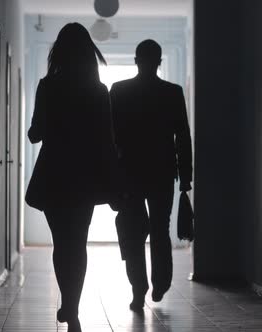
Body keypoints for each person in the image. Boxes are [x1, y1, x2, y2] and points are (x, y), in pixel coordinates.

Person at [26, 22, 117, 332]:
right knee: (77, 241)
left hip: (54, 174)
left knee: (61, 241)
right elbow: (107, 140)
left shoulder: (47, 86)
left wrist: (41, 129)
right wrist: (113, 179)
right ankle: (72, 307)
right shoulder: (98, 90)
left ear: (59, 53)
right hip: (85, 177)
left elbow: (35, 133)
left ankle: (68, 301)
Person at [110, 39, 193, 311]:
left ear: (136, 60)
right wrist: (186, 175)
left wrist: (110, 173)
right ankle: (160, 283)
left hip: (129, 173)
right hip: (162, 172)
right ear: (159, 62)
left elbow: (111, 137)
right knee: (159, 229)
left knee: (133, 232)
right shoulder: (172, 93)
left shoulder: (119, 91)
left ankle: (139, 289)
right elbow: (182, 136)